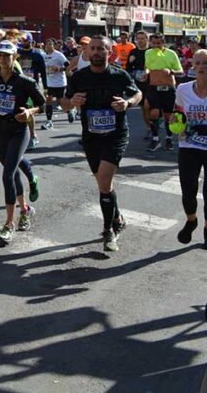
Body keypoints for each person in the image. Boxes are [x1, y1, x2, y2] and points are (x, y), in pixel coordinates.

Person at [63, 36, 142, 252]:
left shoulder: (119, 75)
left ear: (110, 52)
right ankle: (117, 217)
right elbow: (64, 102)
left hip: (115, 135)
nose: (96, 52)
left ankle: (109, 231)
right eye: (93, 49)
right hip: (91, 137)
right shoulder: (79, 76)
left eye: (101, 49)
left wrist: (127, 103)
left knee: (105, 183)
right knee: (104, 185)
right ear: (87, 52)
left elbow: (137, 93)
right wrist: (72, 102)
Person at [0, 41, 45, 244]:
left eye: (8, 55)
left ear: (15, 57)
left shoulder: (25, 81)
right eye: (1, 55)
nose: (4, 59)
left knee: (7, 174)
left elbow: (42, 104)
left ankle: (9, 223)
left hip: (18, 131)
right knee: (13, 173)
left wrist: (29, 111)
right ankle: (25, 210)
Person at [172, 49, 207, 249]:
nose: (202, 67)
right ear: (193, 66)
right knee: (188, 189)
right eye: (198, 63)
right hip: (189, 145)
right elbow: (178, 111)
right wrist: (176, 121)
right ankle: (191, 220)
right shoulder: (183, 89)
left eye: (206, 63)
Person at [145, 33, 184, 152]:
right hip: (154, 88)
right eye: (154, 43)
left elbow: (180, 71)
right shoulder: (148, 53)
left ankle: (169, 138)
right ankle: (155, 138)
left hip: (168, 88)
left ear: (164, 43)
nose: (156, 45)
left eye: (159, 43)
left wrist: (171, 71)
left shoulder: (171, 54)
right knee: (154, 114)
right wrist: (145, 73)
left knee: (168, 116)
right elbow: (147, 67)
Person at [17, 33, 47, 150]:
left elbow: (43, 72)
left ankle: (33, 135)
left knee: (29, 109)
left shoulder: (37, 54)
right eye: (22, 41)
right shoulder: (18, 53)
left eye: (26, 41)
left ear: (31, 41)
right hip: (18, 85)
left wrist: (45, 88)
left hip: (31, 86)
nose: (24, 43)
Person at [125, 31, 154, 138]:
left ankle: (155, 121)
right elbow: (128, 68)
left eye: (142, 38)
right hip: (139, 84)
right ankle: (149, 128)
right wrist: (131, 62)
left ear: (147, 39)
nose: (140, 40)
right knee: (144, 108)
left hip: (152, 82)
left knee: (150, 107)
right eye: (138, 38)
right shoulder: (133, 52)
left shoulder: (151, 51)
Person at [41, 39, 72, 129]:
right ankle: (49, 121)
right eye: (47, 44)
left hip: (59, 83)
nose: (48, 46)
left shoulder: (59, 55)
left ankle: (69, 111)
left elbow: (68, 66)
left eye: (50, 44)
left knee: (60, 102)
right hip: (49, 83)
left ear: (54, 46)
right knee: (48, 100)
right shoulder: (43, 56)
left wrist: (58, 69)